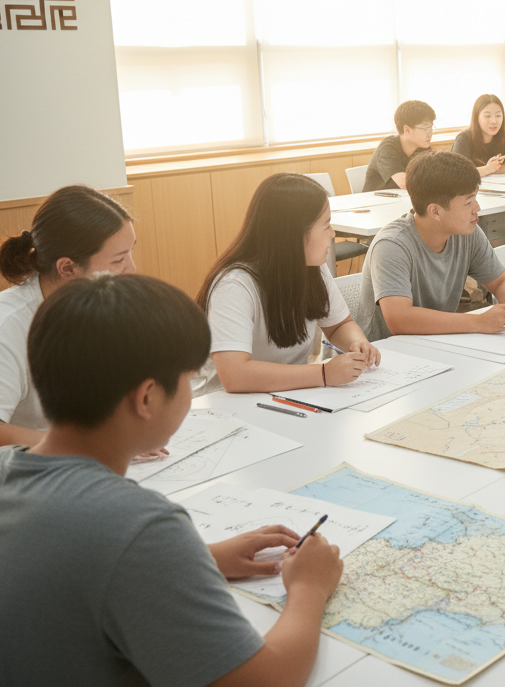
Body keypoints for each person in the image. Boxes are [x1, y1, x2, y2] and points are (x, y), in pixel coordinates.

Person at [0, 273, 344, 687]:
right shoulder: (139, 527)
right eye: (189, 379)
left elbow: (61, 563)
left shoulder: (10, 468)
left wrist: (203, 558)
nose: (192, 389)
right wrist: (309, 587)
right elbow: (266, 680)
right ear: (147, 398)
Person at [195, 172, 379, 395]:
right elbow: (235, 376)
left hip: (288, 394)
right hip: (227, 408)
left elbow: (339, 325)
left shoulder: (311, 267)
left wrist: (357, 343)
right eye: (326, 225)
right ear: (294, 235)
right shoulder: (234, 285)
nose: (332, 234)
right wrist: (323, 374)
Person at [0, 185, 136, 446]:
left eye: (130, 252)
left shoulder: (98, 306)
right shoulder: (8, 326)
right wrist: (85, 444)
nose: (132, 269)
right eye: (119, 260)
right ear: (68, 268)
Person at [358, 151, 505, 340]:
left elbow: (501, 281)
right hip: (386, 354)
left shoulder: (467, 233)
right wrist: (478, 322)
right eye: (468, 202)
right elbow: (399, 319)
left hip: (438, 342)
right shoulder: (392, 245)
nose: (477, 208)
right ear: (435, 211)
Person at [362, 100, 436, 192]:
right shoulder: (387, 149)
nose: (430, 133)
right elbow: (404, 183)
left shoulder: (423, 148)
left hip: (405, 201)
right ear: (407, 130)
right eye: (425, 128)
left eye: (431, 127)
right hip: (377, 203)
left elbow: (435, 175)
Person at [452, 93, 505, 177]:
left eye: (498, 115)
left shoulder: (504, 134)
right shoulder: (463, 139)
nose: (494, 121)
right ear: (477, 118)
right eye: (487, 116)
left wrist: (493, 168)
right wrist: (488, 169)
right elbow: (458, 174)